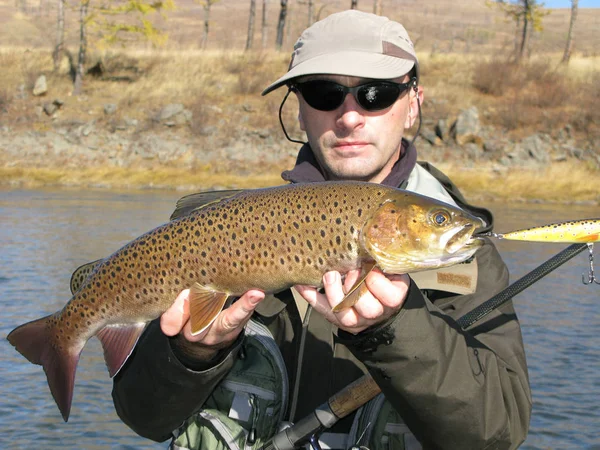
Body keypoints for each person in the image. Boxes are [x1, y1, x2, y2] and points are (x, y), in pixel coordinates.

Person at [111, 10, 532, 449]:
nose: (349, 117)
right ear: (299, 110)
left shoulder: (468, 261)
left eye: (376, 93)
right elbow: (143, 418)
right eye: (324, 92)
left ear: (413, 105)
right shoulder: (231, 230)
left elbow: (496, 433)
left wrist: (393, 331)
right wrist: (191, 356)